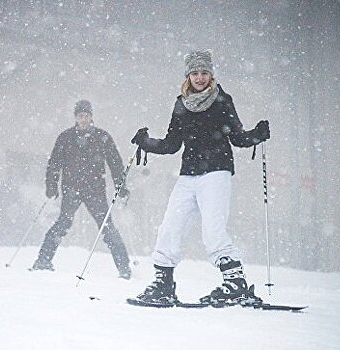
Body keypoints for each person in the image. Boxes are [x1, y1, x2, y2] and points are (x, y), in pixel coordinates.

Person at [128, 49, 270, 306]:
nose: (200, 77)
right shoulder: (181, 104)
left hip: (216, 172)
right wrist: (146, 142)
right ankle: (163, 285)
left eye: (204, 72)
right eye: (195, 72)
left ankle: (235, 285)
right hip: (188, 175)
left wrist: (256, 135)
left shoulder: (222, 100)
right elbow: (172, 144)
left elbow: (237, 137)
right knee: (170, 227)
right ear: (188, 75)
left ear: (211, 74)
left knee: (213, 231)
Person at [31, 100, 133, 279]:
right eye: (80, 116)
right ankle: (43, 261)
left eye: (86, 116)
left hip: (95, 190)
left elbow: (115, 163)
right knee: (63, 223)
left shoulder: (103, 137)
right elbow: (54, 163)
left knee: (107, 228)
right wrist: (51, 185)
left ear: (92, 117)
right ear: (75, 118)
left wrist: (120, 186)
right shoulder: (65, 137)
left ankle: (124, 268)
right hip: (71, 188)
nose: (83, 119)